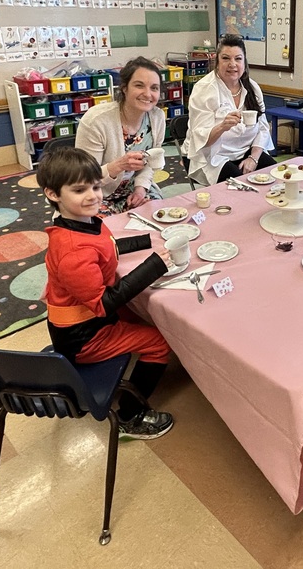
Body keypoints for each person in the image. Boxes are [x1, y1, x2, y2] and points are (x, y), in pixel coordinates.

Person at [36, 146, 175, 440]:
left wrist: (151, 238)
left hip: (87, 319)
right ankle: (130, 416)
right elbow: (103, 304)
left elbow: (108, 247)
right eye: (79, 190)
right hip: (83, 337)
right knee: (160, 342)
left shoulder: (83, 222)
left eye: (96, 186)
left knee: (145, 312)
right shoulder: (73, 250)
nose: (93, 196)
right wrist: (156, 264)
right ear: (53, 194)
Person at [75, 57, 166, 215]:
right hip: (96, 193)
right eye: (139, 85)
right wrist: (117, 166)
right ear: (124, 88)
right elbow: (83, 179)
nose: (147, 94)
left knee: (158, 216)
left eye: (154, 88)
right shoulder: (96, 121)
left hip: (134, 188)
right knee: (105, 233)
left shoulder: (157, 117)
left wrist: (140, 190)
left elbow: (150, 164)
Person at [186, 34, 275, 184]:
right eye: (226, 58)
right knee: (241, 185)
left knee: (274, 177)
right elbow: (201, 140)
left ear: (244, 62)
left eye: (238, 59)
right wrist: (222, 127)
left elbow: (263, 128)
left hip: (246, 151)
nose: (232, 64)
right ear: (217, 62)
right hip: (213, 156)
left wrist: (253, 158)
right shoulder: (204, 89)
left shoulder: (252, 88)